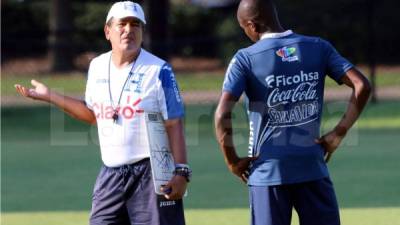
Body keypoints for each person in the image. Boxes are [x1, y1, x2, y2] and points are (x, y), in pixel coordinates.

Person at [14, 1, 190, 225]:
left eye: (136, 24)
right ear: (108, 31)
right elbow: (93, 115)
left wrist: (182, 172)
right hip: (111, 174)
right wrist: (50, 95)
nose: (129, 30)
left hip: (151, 174)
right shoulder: (96, 66)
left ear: (142, 32)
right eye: (122, 24)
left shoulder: (159, 70)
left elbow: (174, 123)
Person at [214, 0, 371, 225]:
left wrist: (233, 162)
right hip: (312, 166)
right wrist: (338, 133)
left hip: (267, 172)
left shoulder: (245, 58)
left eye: (243, 28)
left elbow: (221, 114)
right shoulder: (318, 46)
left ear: (253, 26)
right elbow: (362, 85)